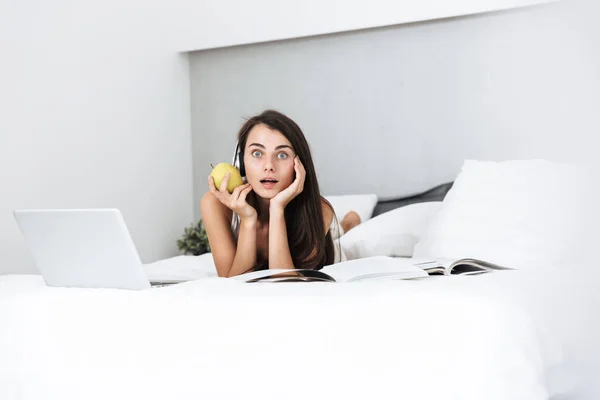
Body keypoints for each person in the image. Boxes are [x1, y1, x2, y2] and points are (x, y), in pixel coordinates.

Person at [200, 109, 361, 278]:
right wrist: (248, 220)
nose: (269, 166)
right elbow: (231, 283)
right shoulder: (215, 203)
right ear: (240, 162)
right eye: (257, 153)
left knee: (344, 236)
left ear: (298, 164)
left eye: (282, 154)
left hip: (328, 249)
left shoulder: (320, 209)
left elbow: (284, 282)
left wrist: (277, 208)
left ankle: (349, 223)